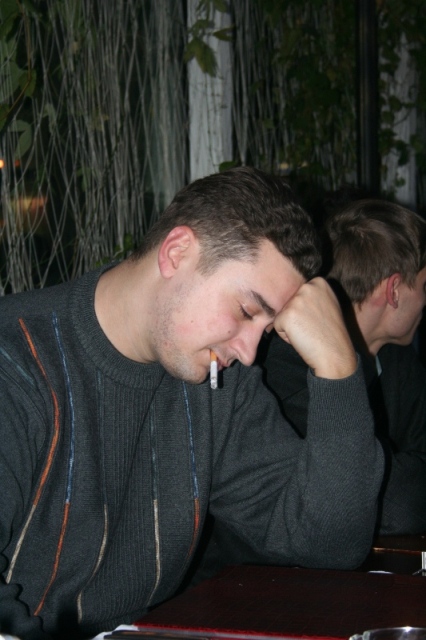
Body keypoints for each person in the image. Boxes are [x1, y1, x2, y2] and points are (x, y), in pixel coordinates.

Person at [0, 167, 384, 640]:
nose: (249, 351)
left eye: (266, 330)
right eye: (246, 310)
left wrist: (339, 369)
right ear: (177, 252)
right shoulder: (14, 363)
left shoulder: (219, 386)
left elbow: (329, 545)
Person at [260, 198, 426, 536]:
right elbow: (395, 506)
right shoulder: (287, 372)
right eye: (424, 287)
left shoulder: (397, 359)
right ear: (394, 290)